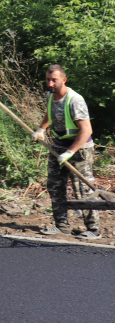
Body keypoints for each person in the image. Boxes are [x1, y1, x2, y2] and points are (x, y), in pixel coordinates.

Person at [33, 65, 101, 239]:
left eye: (54, 80)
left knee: (83, 189)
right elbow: (50, 114)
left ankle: (94, 229)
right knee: (55, 186)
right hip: (58, 146)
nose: (50, 83)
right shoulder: (50, 96)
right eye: (48, 79)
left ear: (64, 80)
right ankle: (61, 226)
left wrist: (70, 152)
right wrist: (41, 129)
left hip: (79, 149)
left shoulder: (74, 100)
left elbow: (86, 130)